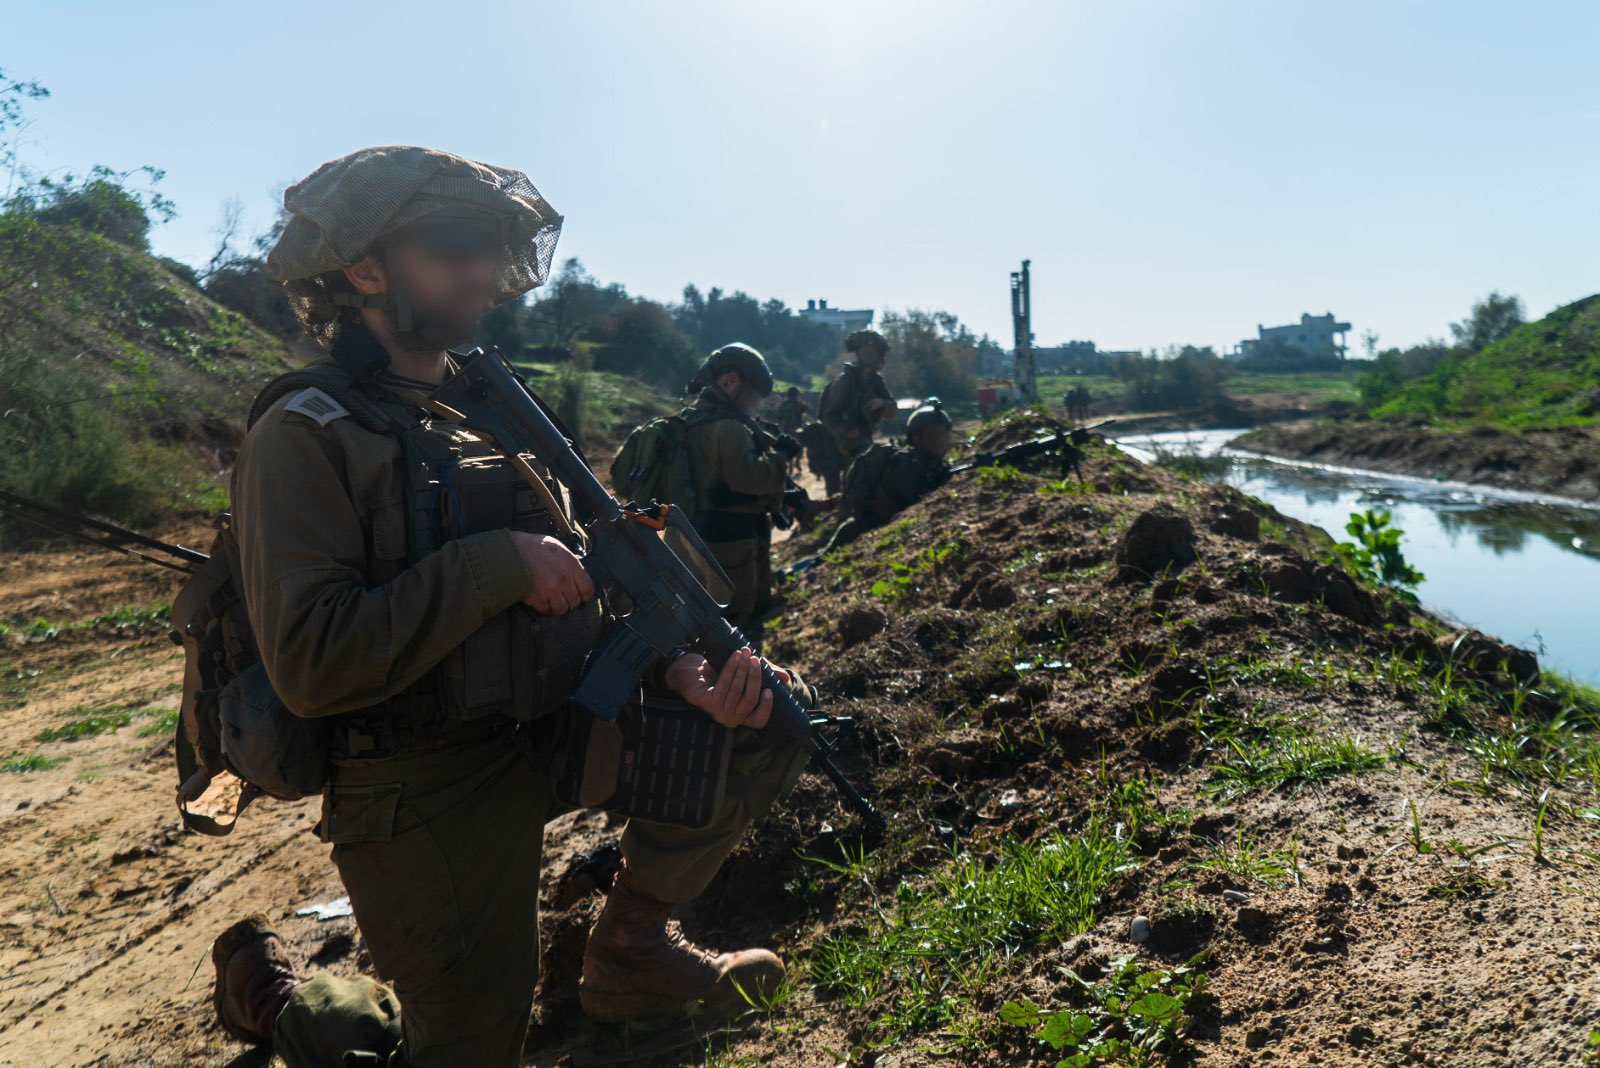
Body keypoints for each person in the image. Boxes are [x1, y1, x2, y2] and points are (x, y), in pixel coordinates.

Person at [208, 147, 810, 1068]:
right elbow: (312, 660)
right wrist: (497, 565)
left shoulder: (479, 413)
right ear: (365, 270)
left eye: (488, 248)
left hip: (546, 725)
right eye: (453, 248)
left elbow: (586, 578)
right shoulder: (303, 433)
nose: (482, 273)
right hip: (421, 775)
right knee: (465, 1051)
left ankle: (633, 953)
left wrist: (668, 668)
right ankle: (280, 1000)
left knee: (766, 712)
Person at [682, 343, 799, 627]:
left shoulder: (693, 419)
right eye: (755, 395)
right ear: (731, 382)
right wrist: (781, 458)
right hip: (731, 541)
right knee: (737, 620)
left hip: (705, 534)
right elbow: (749, 477)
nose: (756, 404)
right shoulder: (727, 427)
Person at [826, 399, 954, 550]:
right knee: (811, 567)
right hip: (865, 531)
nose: (941, 440)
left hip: (877, 531)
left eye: (944, 434)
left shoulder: (931, 465)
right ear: (916, 438)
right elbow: (921, 504)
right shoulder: (906, 467)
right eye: (934, 434)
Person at [819, 329, 893, 457]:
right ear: (858, 352)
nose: (869, 353)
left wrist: (882, 403)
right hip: (843, 443)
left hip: (864, 438)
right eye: (865, 350)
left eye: (872, 350)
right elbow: (829, 416)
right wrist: (845, 431)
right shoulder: (846, 380)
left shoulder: (876, 381)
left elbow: (892, 411)